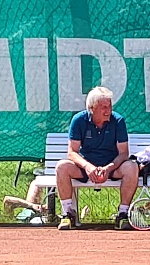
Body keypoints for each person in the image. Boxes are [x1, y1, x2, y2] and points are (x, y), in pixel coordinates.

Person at [55, 86, 139, 230]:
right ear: (91, 108)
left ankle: (123, 215)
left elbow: (123, 153)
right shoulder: (78, 120)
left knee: (132, 166)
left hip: (112, 168)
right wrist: (88, 167)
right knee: (61, 167)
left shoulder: (118, 121)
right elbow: (72, 152)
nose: (108, 111)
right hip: (84, 168)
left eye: (109, 106)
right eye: (103, 107)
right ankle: (68, 214)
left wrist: (108, 168)